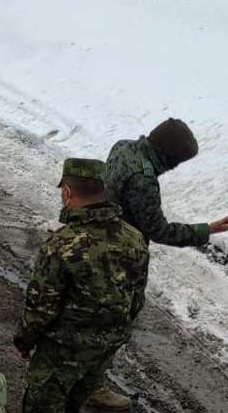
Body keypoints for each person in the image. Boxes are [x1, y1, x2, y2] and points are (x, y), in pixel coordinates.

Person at [92, 117, 228, 410]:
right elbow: (159, 230)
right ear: (169, 157)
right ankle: (91, 385)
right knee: (115, 321)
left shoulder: (124, 147)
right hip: (120, 254)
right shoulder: (144, 179)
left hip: (96, 238)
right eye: (178, 161)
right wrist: (208, 229)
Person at [14, 158, 149, 413]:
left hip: (61, 351)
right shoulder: (135, 238)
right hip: (105, 348)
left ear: (66, 192)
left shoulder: (62, 244)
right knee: (76, 403)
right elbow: (136, 298)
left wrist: (24, 341)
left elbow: (41, 308)